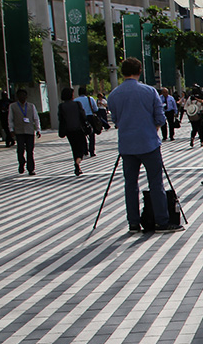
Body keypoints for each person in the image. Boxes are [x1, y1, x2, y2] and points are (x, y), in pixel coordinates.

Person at [106, 57, 182, 233]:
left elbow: (116, 120)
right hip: (149, 143)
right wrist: (153, 129)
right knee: (156, 182)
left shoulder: (114, 95)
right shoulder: (149, 91)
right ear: (139, 71)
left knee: (130, 184)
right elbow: (160, 118)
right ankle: (162, 221)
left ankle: (133, 223)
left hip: (126, 146)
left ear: (122, 72)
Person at [8, 88, 41, 175]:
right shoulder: (13, 106)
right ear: (17, 96)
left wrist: (38, 129)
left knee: (30, 150)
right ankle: (21, 162)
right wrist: (11, 129)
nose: (22, 97)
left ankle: (31, 168)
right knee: (20, 149)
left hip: (30, 131)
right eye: (20, 95)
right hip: (19, 131)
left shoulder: (31, 106)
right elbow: (10, 119)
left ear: (26, 96)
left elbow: (36, 118)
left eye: (23, 95)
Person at [58, 87, 89, 176]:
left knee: (74, 148)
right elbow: (83, 116)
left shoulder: (61, 106)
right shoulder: (77, 104)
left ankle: (77, 165)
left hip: (69, 131)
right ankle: (78, 161)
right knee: (82, 148)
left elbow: (61, 119)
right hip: (79, 129)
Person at [75, 85, 100, 156]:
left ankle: (85, 150)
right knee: (91, 134)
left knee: (82, 135)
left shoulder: (76, 100)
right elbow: (95, 109)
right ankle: (92, 150)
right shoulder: (90, 99)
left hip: (80, 119)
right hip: (90, 117)